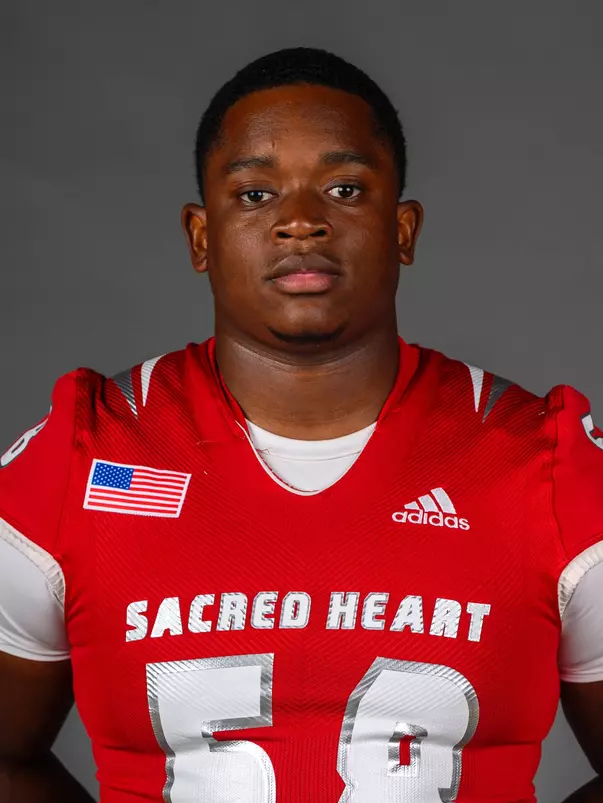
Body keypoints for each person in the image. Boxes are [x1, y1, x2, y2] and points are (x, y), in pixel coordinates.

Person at [0, 46, 602, 803]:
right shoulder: (82, 455)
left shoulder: (545, 465)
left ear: (402, 228)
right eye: (254, 194)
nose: (300, 222)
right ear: (200, 236)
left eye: (344, 188)